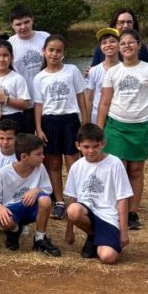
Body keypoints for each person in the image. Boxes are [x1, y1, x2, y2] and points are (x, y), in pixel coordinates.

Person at [97, 28, 148, 229]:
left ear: (139, 45)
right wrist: (99, 128)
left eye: (131, 42)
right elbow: (105, 102)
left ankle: (132, 213)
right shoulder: (113, 72)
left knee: (136, 170)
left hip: (140, 126)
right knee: (119, 168)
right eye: (123, 44)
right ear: (119, 48)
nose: (127, 46)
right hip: (115, 125)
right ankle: (115, 209)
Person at [33, 34, 88, 221]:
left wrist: (85, 122)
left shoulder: (72, 71)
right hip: (50, 122)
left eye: (58, 51)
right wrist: (39, 128)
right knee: (53, 163)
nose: (54, 54)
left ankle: (76, 200)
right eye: (51, 50)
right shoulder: (39, 77)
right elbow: (38, 105)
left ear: (63, 53)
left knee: (73, 162)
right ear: (44, 52)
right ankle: (59, 201)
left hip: (70, 120)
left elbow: (81, 97)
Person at [64, 124, 133, 265]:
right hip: (87, 211)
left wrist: (124, 231)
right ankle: (93, 235)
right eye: (86, 147)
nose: (91, 151)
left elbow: (122, 199)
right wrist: (69, 229)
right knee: (73, 210)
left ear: (103, 143)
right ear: (78, 146)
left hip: (108, 216)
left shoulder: (115, 163)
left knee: (108, 258)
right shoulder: (77, 166)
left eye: (95, 146)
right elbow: (73, 198)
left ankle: (98, 239)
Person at [0, 133, 61, 256]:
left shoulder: (40, 167)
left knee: (45, 200)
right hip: (12, 208)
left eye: (42, 153)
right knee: (6, 221)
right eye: (38, 154)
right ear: (24, 156)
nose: (43, 157)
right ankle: (15, 230)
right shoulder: (4, 173)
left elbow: (47, 189)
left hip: (31, 208)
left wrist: (37, 190)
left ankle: (40, 239)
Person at [7, 5, 50, 134]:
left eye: (26, 22)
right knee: (26, 142)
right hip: (23, 103)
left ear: (32, 20)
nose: (23, 27)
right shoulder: (10, 44)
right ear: (12, 25)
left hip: (46, 100)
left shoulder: (45, 37)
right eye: (18, 24)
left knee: (46, 142)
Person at [86, 28, 120, 122]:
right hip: (96, 116)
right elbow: (89, 99)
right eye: (104, 42)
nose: (108, 45)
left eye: (112, 41)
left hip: (118, 117)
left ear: (119, 45)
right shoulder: (94, 70)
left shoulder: (125, 69)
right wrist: (86, 121)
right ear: (100, 47)